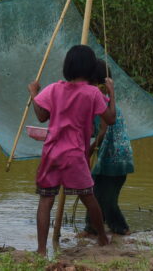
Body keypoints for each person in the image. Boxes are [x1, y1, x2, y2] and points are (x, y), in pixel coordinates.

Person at [28, 46, 115, 254]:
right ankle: (102, 238)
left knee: (45, 200)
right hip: (75, 154)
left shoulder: (54, 88)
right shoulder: (93, 93)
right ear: (91, 68)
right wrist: (112, 92)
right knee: (88, 197)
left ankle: (41, 249)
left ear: (68, 66)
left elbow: (41, 116)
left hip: (51, 152)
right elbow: (110, 119)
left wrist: (34, 94)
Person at [84, 59, 133, 237]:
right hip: (109, 156)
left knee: (107, 199)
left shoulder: (103, 102)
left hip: (115, 157)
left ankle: (122, 229)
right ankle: (92, 228)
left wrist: (87, 152)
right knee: (96, 193)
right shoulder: (103, 101)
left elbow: (103, 132)